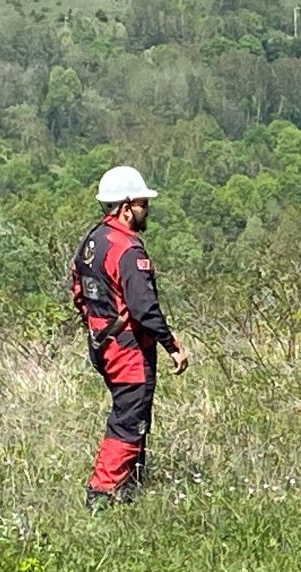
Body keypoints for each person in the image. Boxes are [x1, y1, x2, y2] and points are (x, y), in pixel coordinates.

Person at [71, 165, 188, 510]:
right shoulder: (128, 250)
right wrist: (172, 345)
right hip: (128, 352)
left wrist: (98, 331)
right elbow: (144, 308)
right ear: (125, 206)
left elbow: (79, 292)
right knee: (128, 419)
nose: (146, 210)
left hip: (102, 345)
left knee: (135, 415)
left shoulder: (92, 241)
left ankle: (130, 487)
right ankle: (101, 493)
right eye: (142, 204)